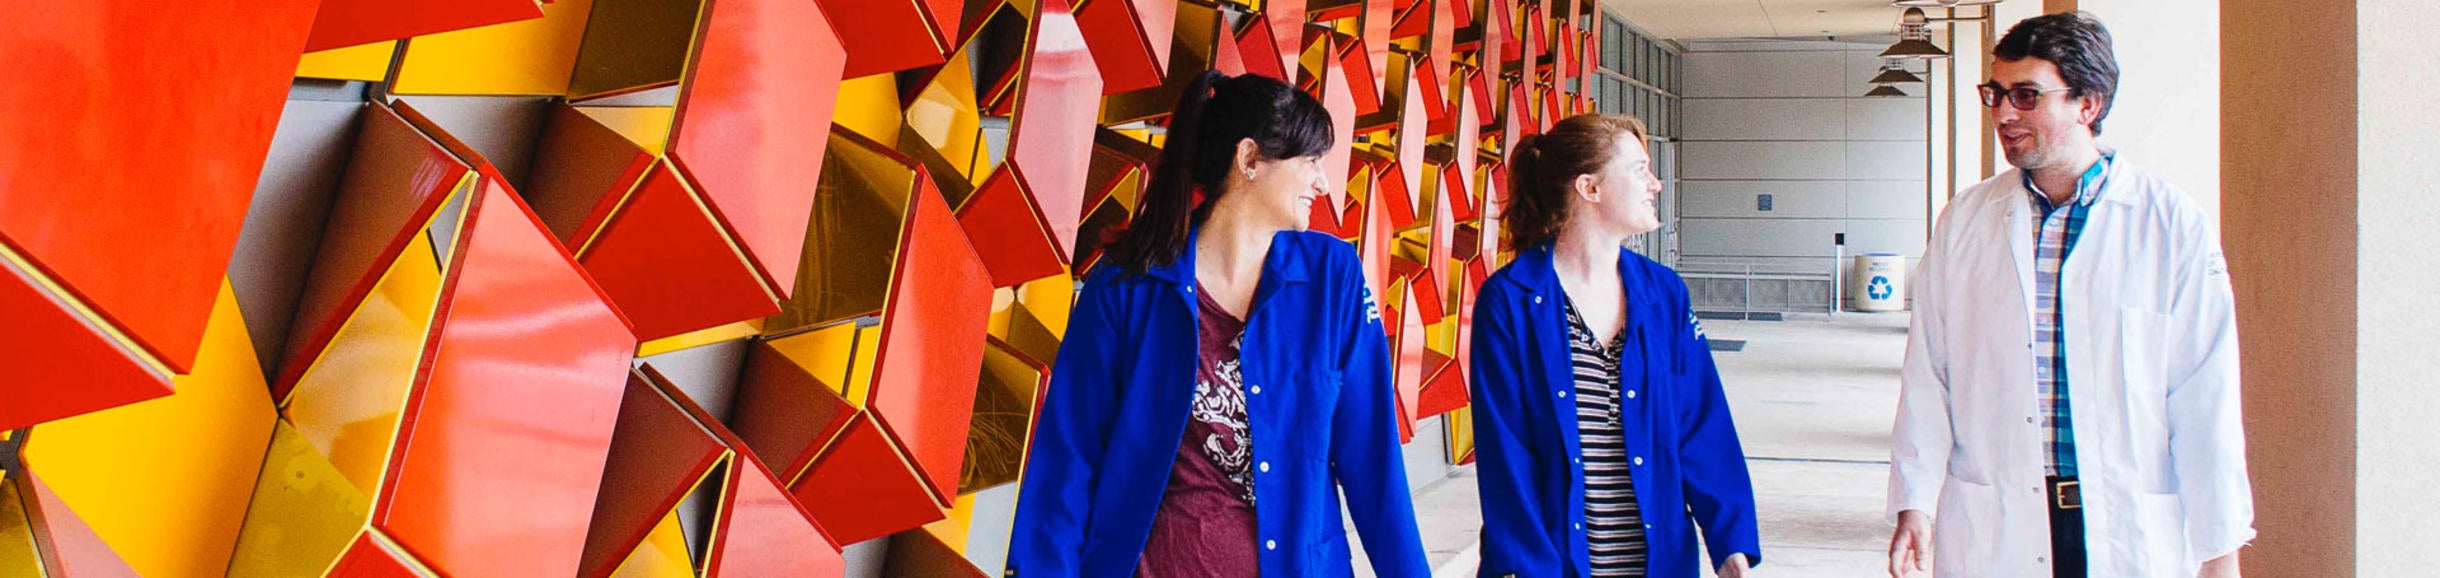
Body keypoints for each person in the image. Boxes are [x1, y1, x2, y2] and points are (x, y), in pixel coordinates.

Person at [1007, 71, 1428, 577]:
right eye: (1311, 161)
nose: (1321, 181)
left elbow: (1373, 460)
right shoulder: (1125, 289)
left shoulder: (1333, 277)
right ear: (1249, 159)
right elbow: (1067, 464)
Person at [1884, 12, 2252, 578]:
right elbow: (1929, 373)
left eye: (2027, 95)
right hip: (1998, 519)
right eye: (1997, 93)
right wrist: (1915, 500)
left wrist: (2219, 549)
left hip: (2122, 525)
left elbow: (2205, 399)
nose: (2004, 113)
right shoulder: (1965, 221)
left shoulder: (2171, 225)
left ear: (2089, 105)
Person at [1468, 113, 1761, 578]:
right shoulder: (1510, 301)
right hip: (1553, 565)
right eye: (1639, 169)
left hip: (1658, 563)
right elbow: (1507, 456)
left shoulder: (1664, 294)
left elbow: (1702, 424)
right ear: (1590, 188)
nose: (1656, 184)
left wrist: (1730, 542)